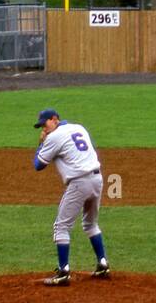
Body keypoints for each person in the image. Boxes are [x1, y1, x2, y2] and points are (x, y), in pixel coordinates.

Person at [32, 108, 110, 285]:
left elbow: (38, 165)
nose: (43, 129)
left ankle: (63, 272)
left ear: (55, 119)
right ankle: (103, 263)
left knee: (61, 226)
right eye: (41, 127)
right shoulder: (78, 128)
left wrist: (41, 144)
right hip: (97, 179)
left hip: (79, 182)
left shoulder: (54, 137)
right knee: (90, 224)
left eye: (45, 125)